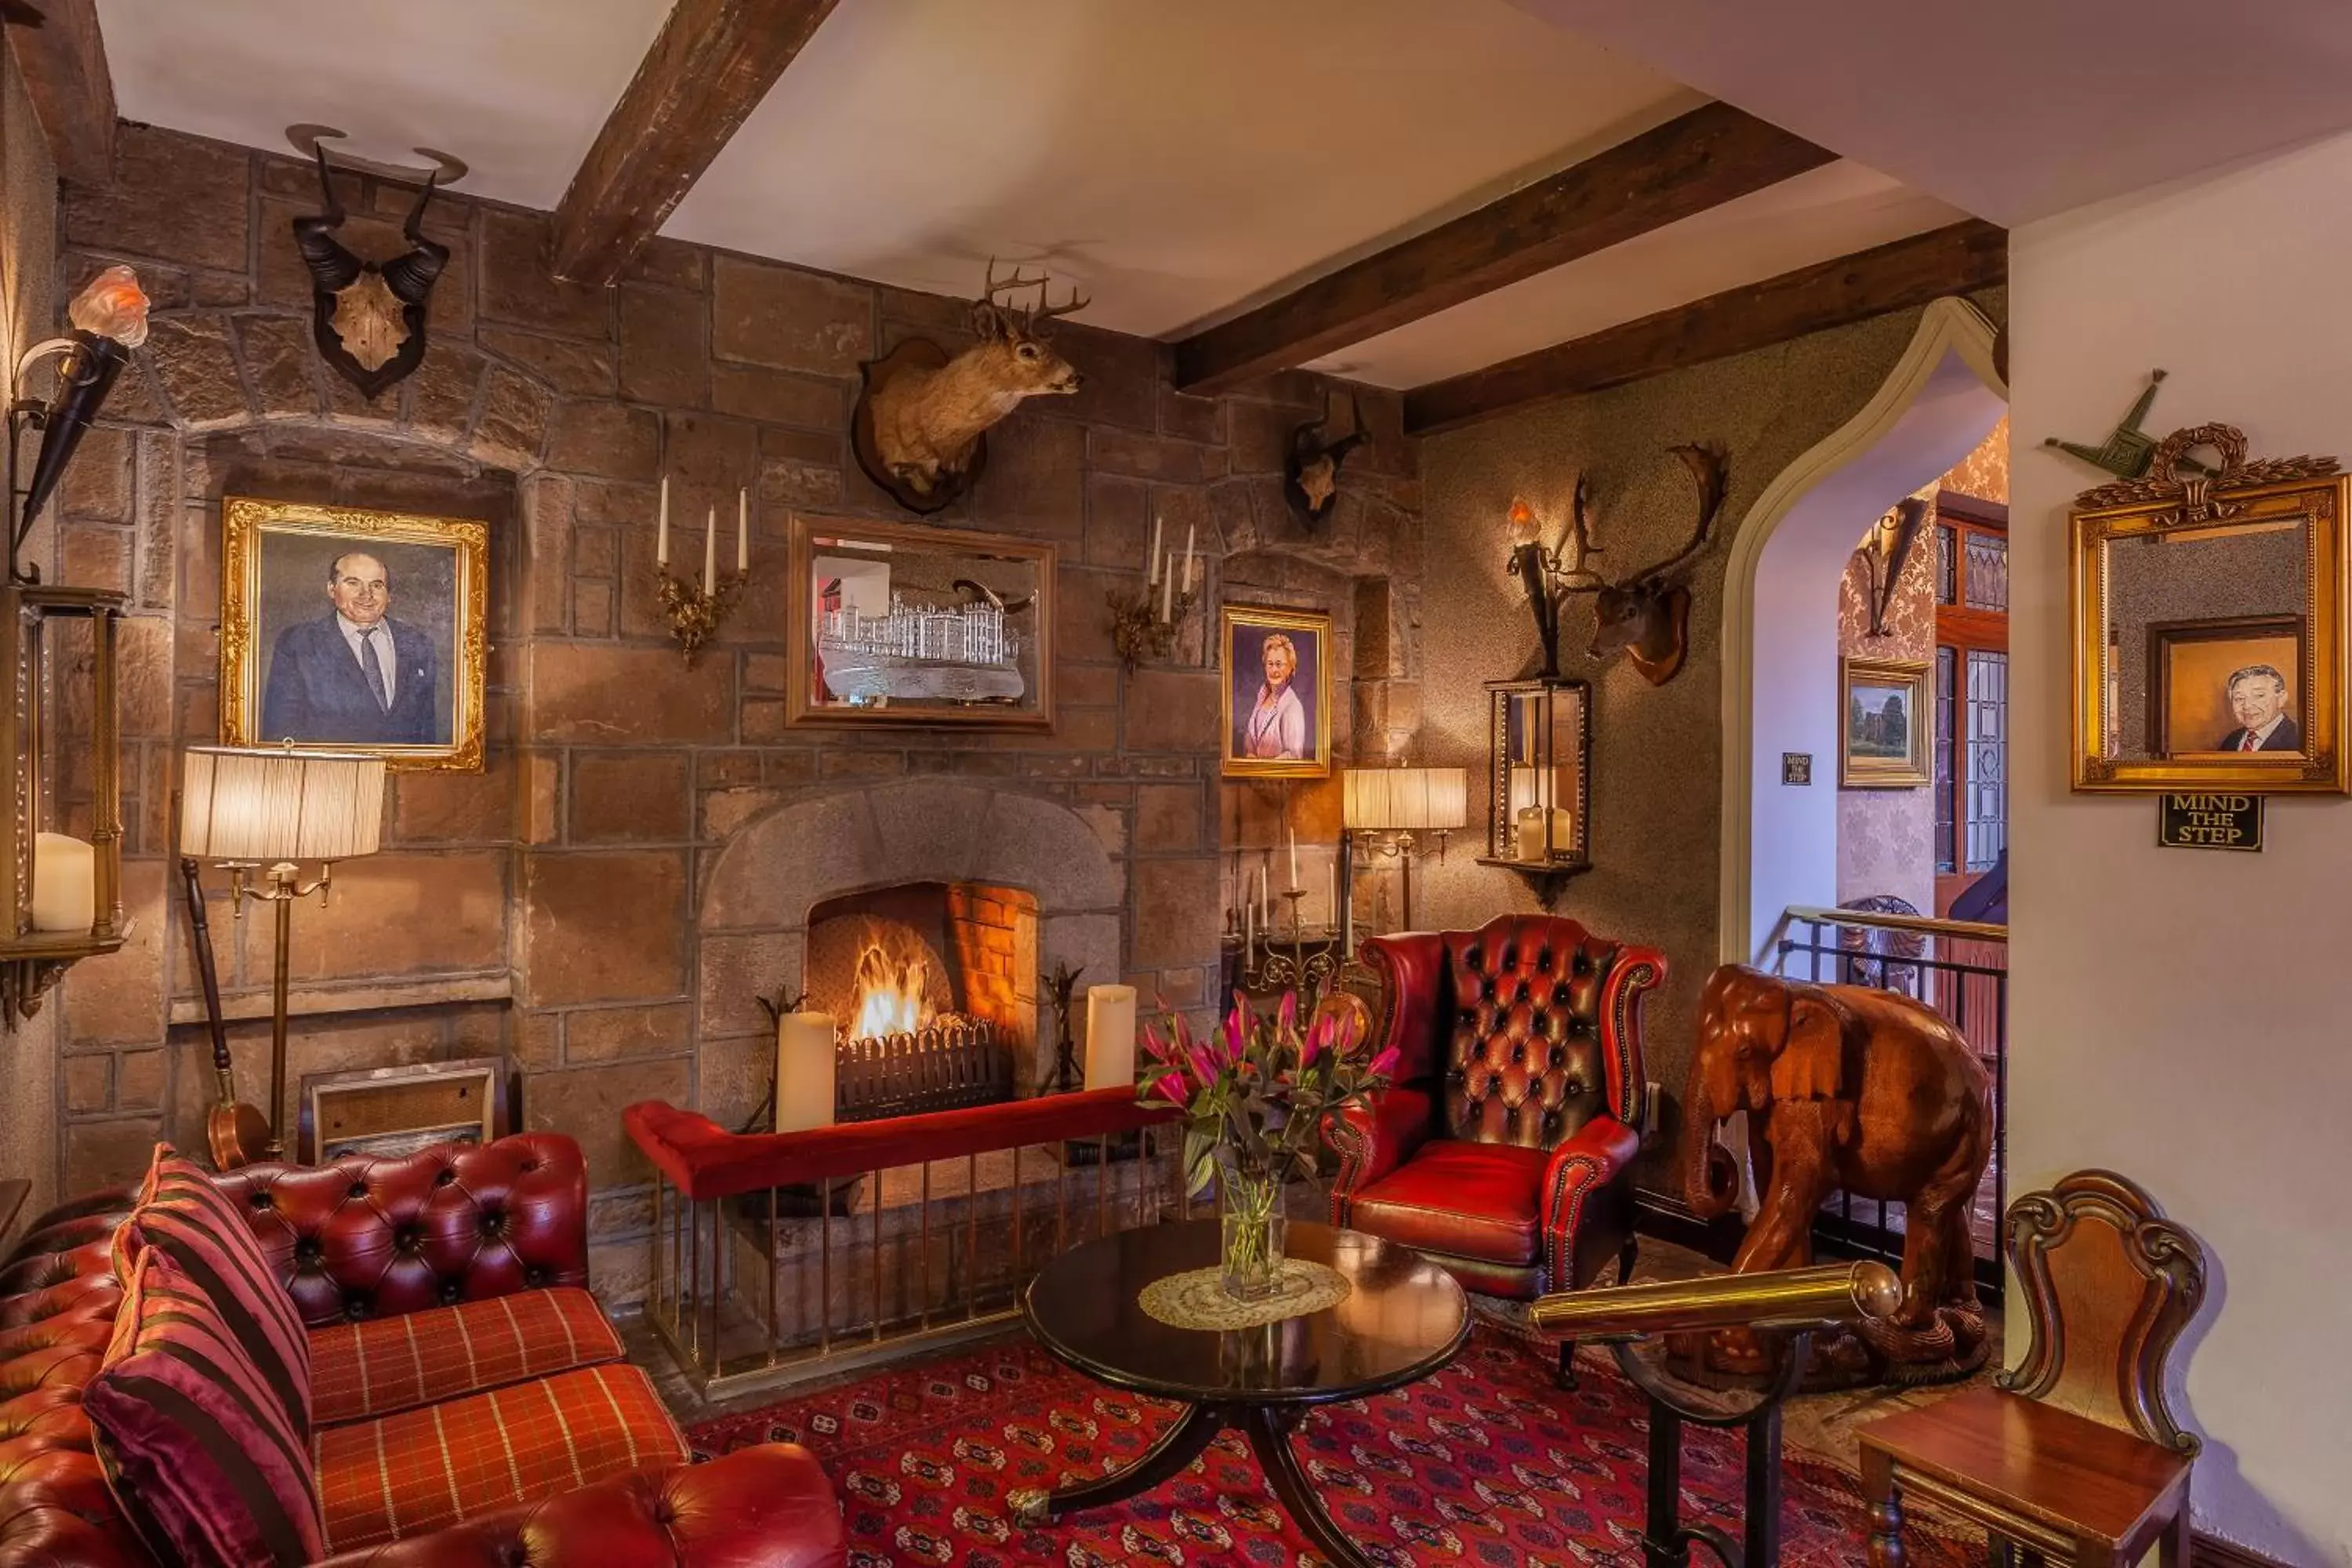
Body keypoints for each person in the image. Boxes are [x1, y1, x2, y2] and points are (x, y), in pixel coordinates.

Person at [259, 550, 440, 745]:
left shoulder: (419, 644)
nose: (366, 595)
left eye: (376, 585)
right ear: (331, 589)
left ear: (389, 596)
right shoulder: (298, 643)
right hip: (330, 772)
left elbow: (426, 731)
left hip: (405, 772)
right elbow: (281, 733)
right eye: (353, 583)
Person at [1240, 632, 1308, 761]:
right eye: (1270, 664)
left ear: (1290, 668)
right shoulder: (1262, 696)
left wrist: (1262, 767)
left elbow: (1294, 756)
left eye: (1279, 664)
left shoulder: (1293, 707)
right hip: (1253, 775)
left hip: (1277, 780)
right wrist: (1250, 753)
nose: (1274, 670)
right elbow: (1252, 734)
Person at [2215, 662, 2299, 753]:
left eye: (2258, 696)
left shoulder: (2299, 740)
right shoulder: (2232, 740)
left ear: (2281, 699)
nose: (2247, 706)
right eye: (2239, 698)